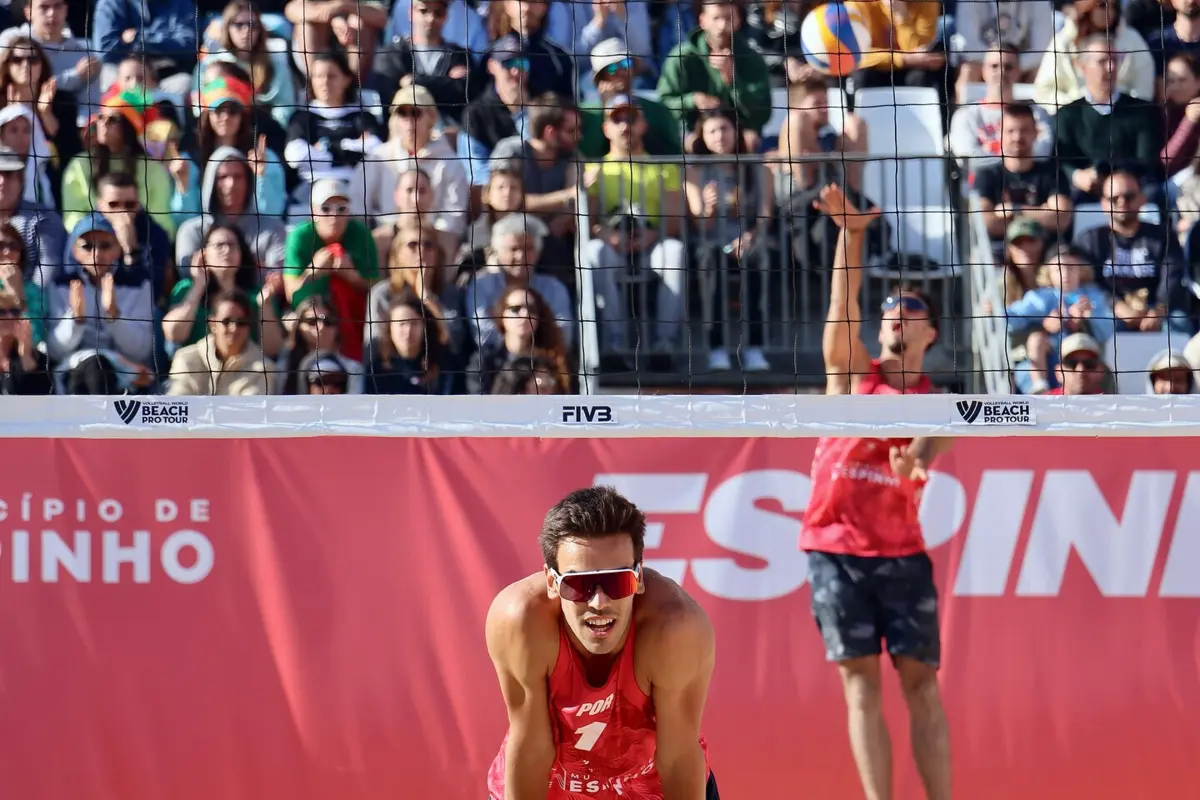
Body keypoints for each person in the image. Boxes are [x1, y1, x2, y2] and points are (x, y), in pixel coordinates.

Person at [800, 184, 952, 800]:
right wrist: (852, 235)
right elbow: (844, 305)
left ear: (930, 333)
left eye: (911, 305)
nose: (897, 309)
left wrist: (917, 457)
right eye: (891, 305)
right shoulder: (851, 376)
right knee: (860, 684)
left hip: (900, 552)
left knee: (921, 685)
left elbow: (931, 451)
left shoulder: (937, 406)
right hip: (835, 549)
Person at [485, 485, 720, 799]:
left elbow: (677, 759)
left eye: (616, 580)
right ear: (552, 583)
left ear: (637, 579)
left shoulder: (675, 628)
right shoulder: (520, 620)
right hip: (553, 787)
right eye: (579, 584)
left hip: (651, 788)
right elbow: (531, 749)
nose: (599, 602)